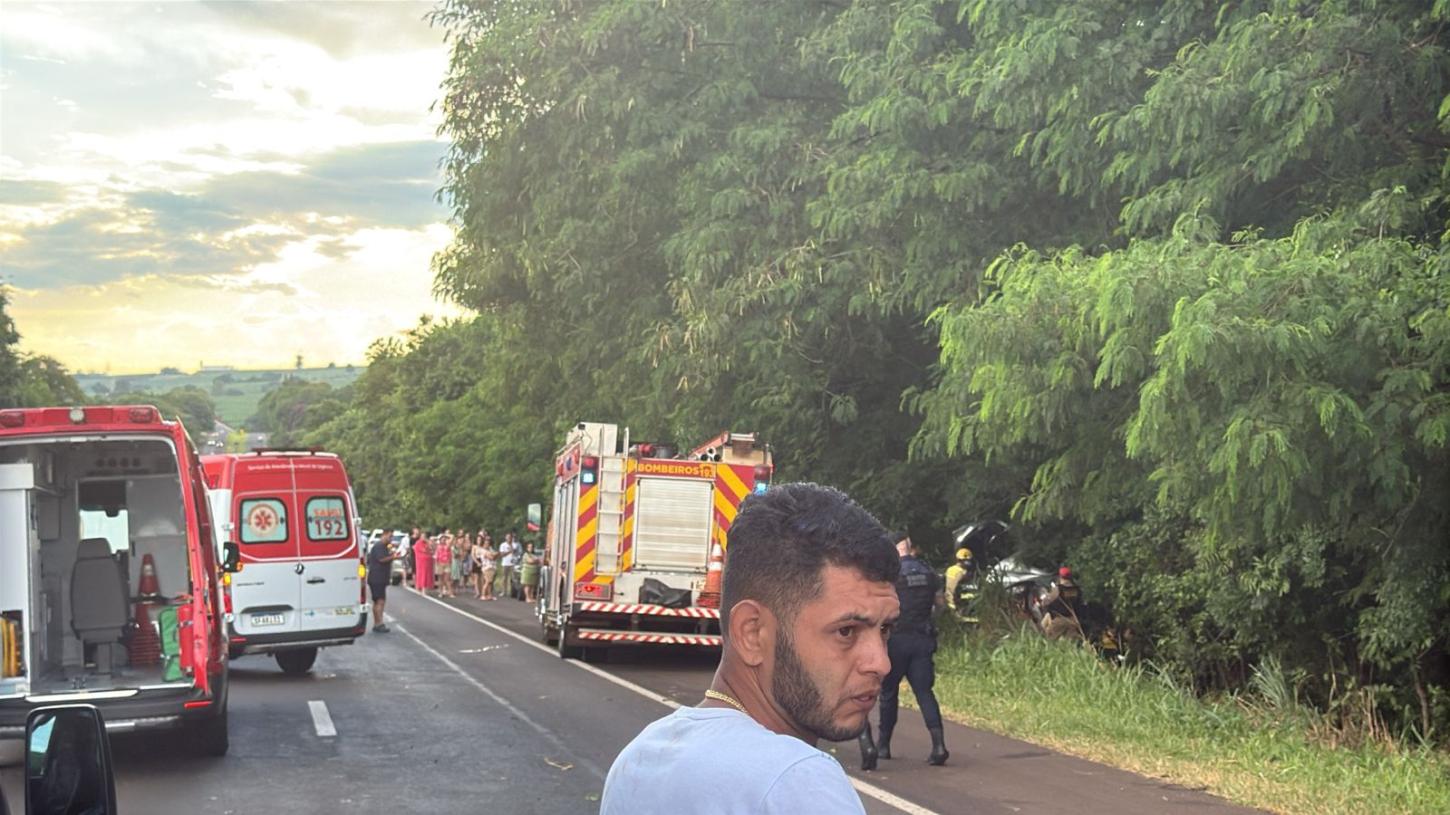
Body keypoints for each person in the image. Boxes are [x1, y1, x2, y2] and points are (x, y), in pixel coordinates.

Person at [601, 483, 899, 814]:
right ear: (752, 633)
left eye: (885, 628)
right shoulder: (797, 781)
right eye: (846, 631)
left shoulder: (639, 757)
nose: (880, 662)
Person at [861, 532, 948, 770]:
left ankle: (883, 746)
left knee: (889, 693)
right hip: (922, 639)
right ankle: (938, 745)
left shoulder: (891, 574)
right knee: (924, 692)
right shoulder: (928, 572)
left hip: (896, 641)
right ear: (910, 547)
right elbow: (940, 605)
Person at [366, 527, 402, 633]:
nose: (391, 539)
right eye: (390, 536)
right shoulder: (379, 546)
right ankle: (379, 623)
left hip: (378, 577)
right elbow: (382, 559)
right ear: (384, 534)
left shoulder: (384, 546)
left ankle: (377, 622)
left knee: (377, 601)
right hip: (378, 577)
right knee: (380, 601)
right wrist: (393, 557)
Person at [1038, 566, 1085, 640]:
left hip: (1060, 620)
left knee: (1046, 638)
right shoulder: (1077, 589)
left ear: (1060, 577)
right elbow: (1080, 603)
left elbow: (1046, 602)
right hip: (1074, 620)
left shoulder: (1059, 589)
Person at [944, 546, 978, 615]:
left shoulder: (949, 569)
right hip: (957, 601)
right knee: (976, 595)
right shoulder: (963, 573)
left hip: (948, 600)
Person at [497, 532, 517, 600]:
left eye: (510, 537)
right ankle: (503, 591)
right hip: (505, 563)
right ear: (506, 538)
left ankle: (513, 591)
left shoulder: (514, 544)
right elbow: (502, 554)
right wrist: (509, 551)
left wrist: (511, 547)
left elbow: (515, 552)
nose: (509, 539)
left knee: (513, 578)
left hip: (513, 563)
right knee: (504, 578)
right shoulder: (503, 545)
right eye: (508, 537)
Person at [435, 529, 455, 598]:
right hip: (440, 563)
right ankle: (441, 592)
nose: (443, 540)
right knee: (440, 579)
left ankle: (450, 592)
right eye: (442, 539)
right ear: (440, 540)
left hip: (447, 563)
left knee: (447, 579)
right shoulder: (437, 546)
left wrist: (445, 534)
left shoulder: (448, 545)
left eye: (444, 539)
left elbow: (452, 536)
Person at [478, 534, 498, 600]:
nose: (487, 544)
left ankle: (489, 595)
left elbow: (495, 554)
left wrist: (494, 554)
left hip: (492, 566)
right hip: (487, 567)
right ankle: (483, 595)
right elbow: (491, 557)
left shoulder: (490, 549)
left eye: (488, 543)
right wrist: (493, 554)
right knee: (487, 581)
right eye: (486, 543)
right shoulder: (482, 550)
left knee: (490, 582)